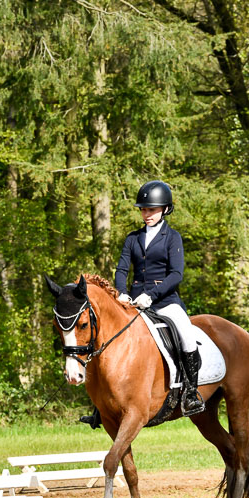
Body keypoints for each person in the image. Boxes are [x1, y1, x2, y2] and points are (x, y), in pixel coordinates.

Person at [81, 180, 204, 427]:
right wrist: (122, 293)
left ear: (165, 210)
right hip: (134, 301)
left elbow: (176, 275)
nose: (146, 214)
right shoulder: (133, 238)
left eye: (152, 209)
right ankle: (100, 406)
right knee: (105, 338)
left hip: (166, 302)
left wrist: (153, 295)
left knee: (186, 336)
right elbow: (122, 268)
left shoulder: (173, 238)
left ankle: (190, 392)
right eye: (144, 210)